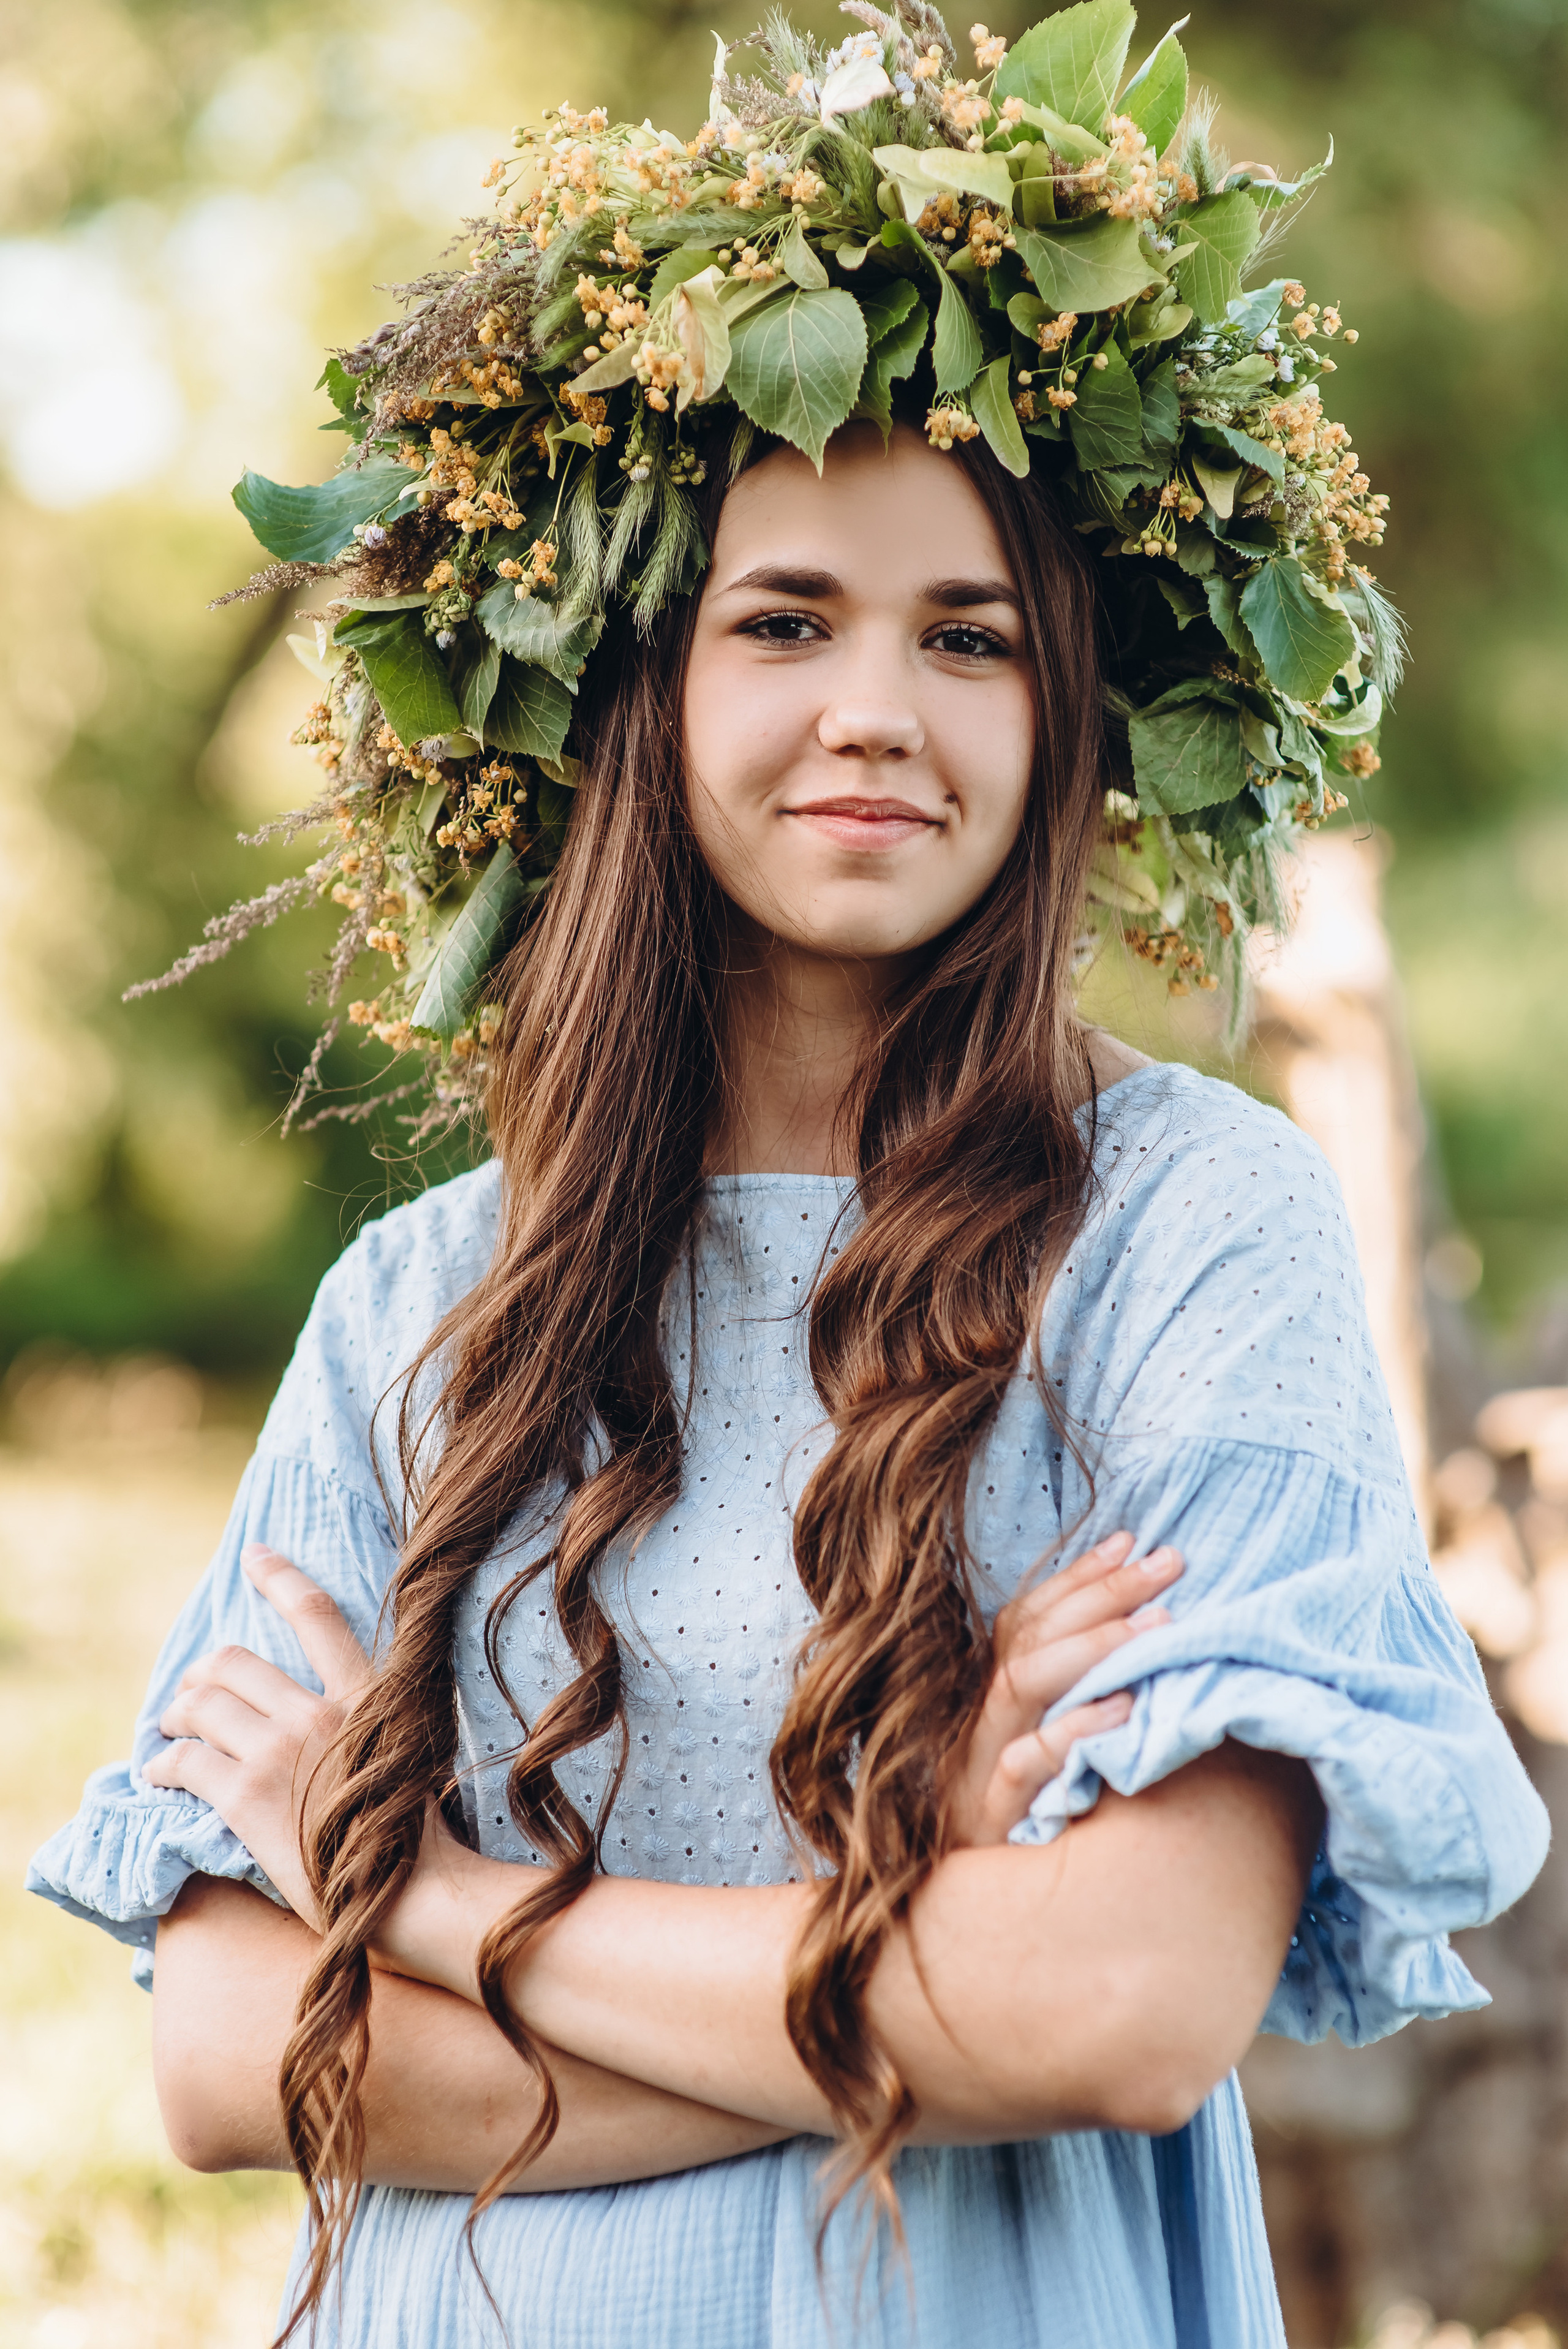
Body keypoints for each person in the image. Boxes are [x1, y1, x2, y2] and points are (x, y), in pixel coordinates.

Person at [29, 416, 1547, 2349]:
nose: (876, 711)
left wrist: (420, 1908)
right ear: (636, 680)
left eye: (970, 638)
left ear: (1067, 707)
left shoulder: (1195, 1227)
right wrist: (922, 1922)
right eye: (787, 621)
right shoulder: (417, 1300)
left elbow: (1119, 2006)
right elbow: (238, 2055)